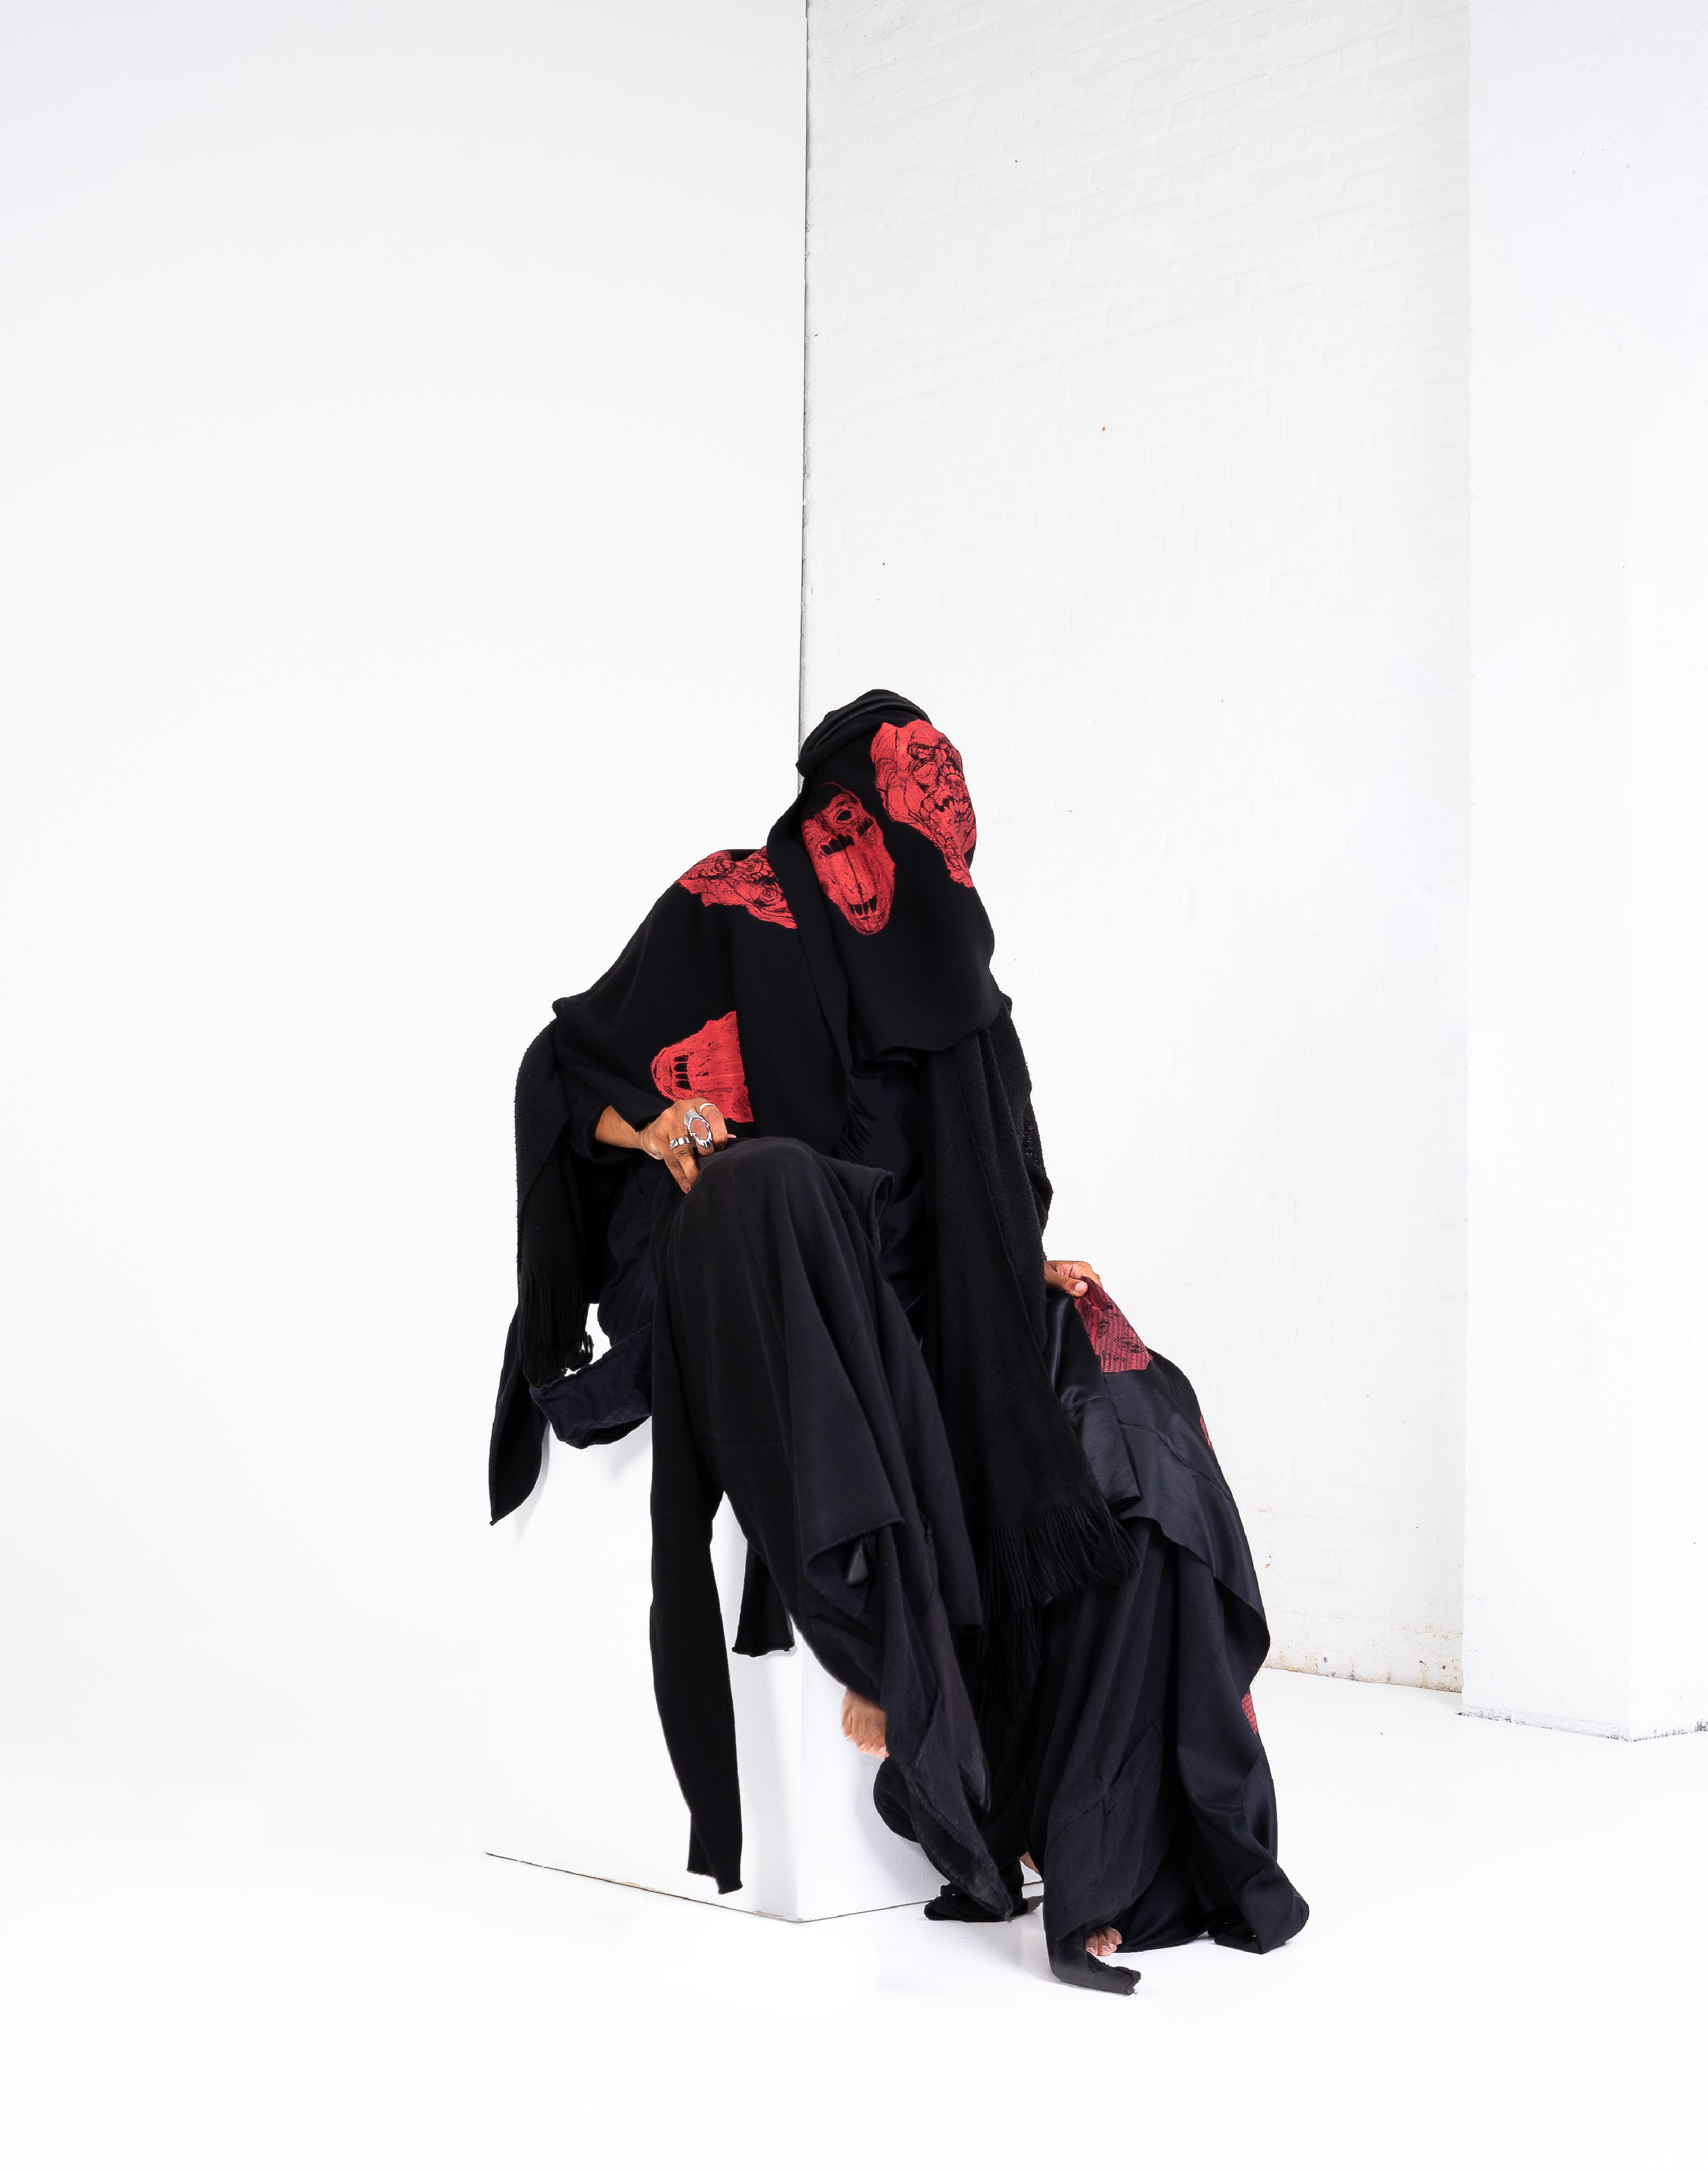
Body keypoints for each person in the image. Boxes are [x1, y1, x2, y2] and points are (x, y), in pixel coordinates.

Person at [489, 691, 1307, 1992]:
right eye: (875, 827)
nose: (898, 869)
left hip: (934, 1297)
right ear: (835, 817)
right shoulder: (730, 906)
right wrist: (655, 1128)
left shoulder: (963, 990)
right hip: (769, 1277)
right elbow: (563, 1067)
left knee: (1136, 1408)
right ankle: (893, 1658)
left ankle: (1100, 1843)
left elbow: (996, 1186)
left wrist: (1020, 1267)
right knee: (772, 1188)